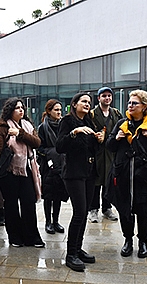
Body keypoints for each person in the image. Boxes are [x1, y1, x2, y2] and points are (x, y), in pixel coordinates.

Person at [106, 90, 147, 258]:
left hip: (144, 177)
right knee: (124, 210)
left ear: (144, 106)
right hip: (124, 175)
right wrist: (117, 138)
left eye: (134, 103)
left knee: (144, 211)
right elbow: (109, 146)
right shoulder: (122, 123)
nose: (130, 106)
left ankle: (143, 242)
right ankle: (127, 240)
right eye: (129, 103)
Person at [0, 97, 43, 248]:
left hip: (26, 170)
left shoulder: (27, 125)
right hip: (9, 172)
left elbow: (37, 143)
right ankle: (15, 237)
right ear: (10, 111)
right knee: (11, 206)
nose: (21, 110)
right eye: (17, 108)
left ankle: (32, 237)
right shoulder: (3, 127)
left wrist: (20, 133)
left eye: (22, 107)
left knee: (29, 202)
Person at [56, 93, 103, 271]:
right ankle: (70, 254)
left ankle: (78, 248)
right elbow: (60, 146)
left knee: (84, 213)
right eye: (83, 101)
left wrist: (99, 140)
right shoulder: (67, 121)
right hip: (74, 173)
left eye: (89, 102)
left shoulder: (89, 121)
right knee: (79, 212)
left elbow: (93, 149)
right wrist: (74, 133)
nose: (87, 104)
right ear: (74, 104)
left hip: (89, 172)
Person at [88, 87, 121, 223]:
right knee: (96, 182)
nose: (107, 98)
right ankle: (93, 209)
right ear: (99, 98)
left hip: (111, 153)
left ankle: (107, 208)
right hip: (97, 153)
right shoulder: (92, 114)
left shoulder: (116, 114)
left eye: (109, 96)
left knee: (109, 181)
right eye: (104, 96)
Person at [37, 99, 68, 234]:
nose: (59, 112)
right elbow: (39, 147)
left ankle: (56, 221)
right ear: (49, 111)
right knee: (49, 194)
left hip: (62, 163)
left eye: (60, 110)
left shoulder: (63, 125)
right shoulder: (43, 127)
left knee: (58, 194)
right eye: (56, 110)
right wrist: (50, 154)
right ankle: (48, 222)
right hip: (48, 165)